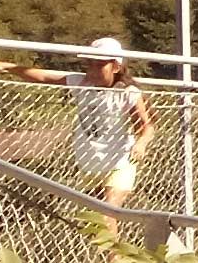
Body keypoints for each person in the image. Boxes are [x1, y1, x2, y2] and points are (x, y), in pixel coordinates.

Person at [63, 38, 156, 209]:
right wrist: (10, 68)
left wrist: (141, 143)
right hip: (90, 162)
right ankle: (111, 238)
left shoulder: (126, 92)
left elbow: (147, 126)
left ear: (115, 67)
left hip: (119, 161)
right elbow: (44, 77)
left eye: (100, 65)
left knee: (108, 210)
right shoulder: (82, 84)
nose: (93, 70)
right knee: (95, 218)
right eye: (90, 64)